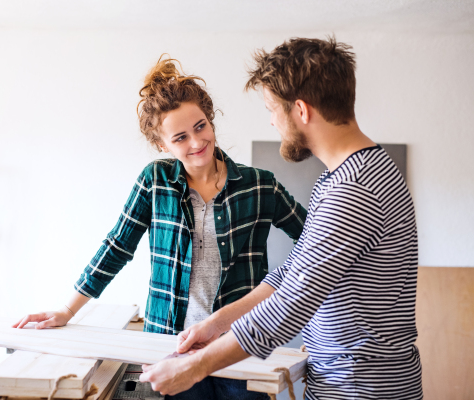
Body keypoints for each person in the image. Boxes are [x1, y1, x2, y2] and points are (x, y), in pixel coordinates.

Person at [139, 37, 423, 400]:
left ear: (301, 111)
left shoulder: (353, 190)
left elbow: (292, 305)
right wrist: (217, 323)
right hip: (348, 382)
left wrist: (193, 368)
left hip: (360, 389)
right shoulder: (345, 176)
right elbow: (292, 274)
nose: (272, 122)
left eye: (273, 109)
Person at [13, 56, 307, 399]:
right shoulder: (155, 182)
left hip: (239, 346)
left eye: (200, 127)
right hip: (169, 347)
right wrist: (67, 310)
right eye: (180, 137)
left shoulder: (260, 185)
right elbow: (117, 247)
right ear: (162, 144)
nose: (196, 142)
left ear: (210, 120)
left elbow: (315, 243)